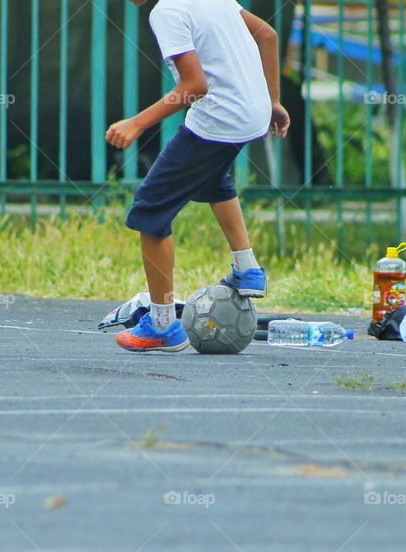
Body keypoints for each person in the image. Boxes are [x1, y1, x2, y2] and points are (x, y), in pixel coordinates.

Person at [106, 0, 291, 352]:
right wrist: (273, 101)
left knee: (150, 210)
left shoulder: (166, 12)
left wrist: (137, 123)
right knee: (212, 176)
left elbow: (195, 85)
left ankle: (162, 325)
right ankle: (247, 267)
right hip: (251, 113)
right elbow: (267, 35)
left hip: (221, 117)